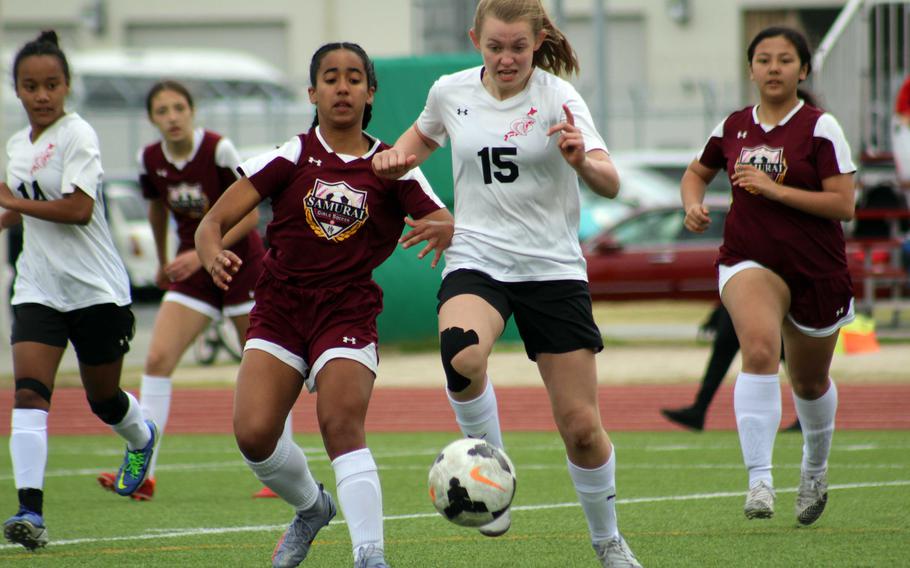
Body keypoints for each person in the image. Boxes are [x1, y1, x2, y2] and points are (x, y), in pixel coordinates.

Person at [372, 1, 641, 566]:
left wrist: (581, 162)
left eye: (518, 46)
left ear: (538, 40)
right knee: (460, 355)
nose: (507, 58)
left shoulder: (558, 98)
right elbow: (411, 149)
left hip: (552, 269)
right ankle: (490, 473)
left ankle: (607, 541)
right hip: (477, 258)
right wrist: (388, 167)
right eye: (495, 46)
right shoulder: (450, 92)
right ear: (476, 40)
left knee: (582, 430)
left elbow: (611, 183)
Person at [195, 42, 453, 568]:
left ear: (370, 92)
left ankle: (370, 556)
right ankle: (312, 508)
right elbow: (212, 223)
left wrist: (440, 228)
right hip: (281, 307)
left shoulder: (391, 163)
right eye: (330, 78)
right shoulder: (290, 155)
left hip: (347, 309)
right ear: (312, 92)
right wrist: (210, 252)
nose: (342, 86)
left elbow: (444, 219)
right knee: (254, 434)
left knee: (339, 422)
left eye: (354, 77)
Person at [681, 26, 856, 524]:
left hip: (815, 269)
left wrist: (774, 190)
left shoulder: (821, 128)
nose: (773, 68)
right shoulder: (733, 125)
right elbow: (696, 172)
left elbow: (843, 204)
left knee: (809, 380)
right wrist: (693, 204)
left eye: (784, 60)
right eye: (763, 59)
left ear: (802, 70)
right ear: (751, 68)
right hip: (748, 258)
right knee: (758, 349)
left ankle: (815, 468)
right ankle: (759, 479)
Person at [0, 30, 157, 551]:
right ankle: (30, 512)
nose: (41, 94)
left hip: (95, 291)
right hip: (38, 287)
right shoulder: (16, 145)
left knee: (103, 398)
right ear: (16, 90)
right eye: (30, 85)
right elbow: (18, 203)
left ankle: (141, 437)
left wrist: (12, 204)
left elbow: (77, 209)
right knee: (28, 394)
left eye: (51, 84)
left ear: (67, 86)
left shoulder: (78, 134)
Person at [95, 80, 276, 500]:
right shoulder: (150, 158)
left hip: (239, 267)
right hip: (192, 273)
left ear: (192, 112)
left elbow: (249, 218)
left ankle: (276, 472)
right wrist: (162, 261)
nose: (172, 117)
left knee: (265, 369)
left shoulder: (218, 149)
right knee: (157, 359)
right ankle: (145, 473)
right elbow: (157, 208)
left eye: (179, 108)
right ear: (152, 118)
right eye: (162, 110)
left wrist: (202, 255)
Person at [661, 303, 801, 433]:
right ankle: (698, 409)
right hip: (740, 304)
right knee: (721, 355)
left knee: (785, 354)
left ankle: (807, 411)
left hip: (759, 303)